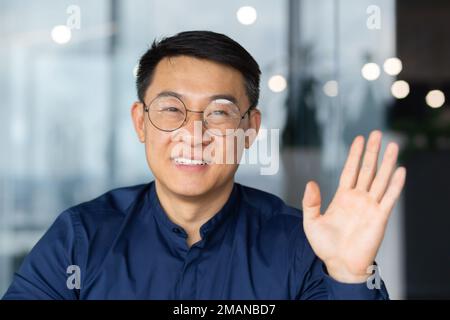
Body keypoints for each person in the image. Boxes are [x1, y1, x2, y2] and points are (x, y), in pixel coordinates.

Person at [2, 31, 405, 300]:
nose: (194, 133)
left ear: (250, 129)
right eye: (172, 109)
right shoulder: (81, 238)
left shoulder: (302, 247)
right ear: (141, 122)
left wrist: (350, 276)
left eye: (218, 113)